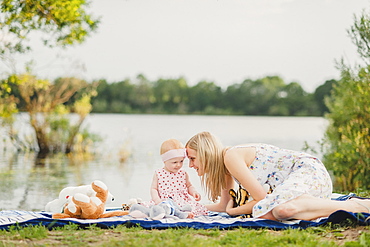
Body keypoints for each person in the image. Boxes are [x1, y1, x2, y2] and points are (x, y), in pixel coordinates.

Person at [185, 131, 370, 221]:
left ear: (205, 152)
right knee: (279, 212)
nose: (190, 165)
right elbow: (221, 207)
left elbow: (261, 198)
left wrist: (234, 211)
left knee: (271, 211)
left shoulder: (230, 157)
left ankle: (356, 205)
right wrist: (188, 207)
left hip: (307, 171)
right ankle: (346, 207)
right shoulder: (225, 169)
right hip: (296, 189)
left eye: (192, 158)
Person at [146, 138, 208, 217]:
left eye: (181, 161)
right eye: (174, 162)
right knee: (159, 209)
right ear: (164, 161)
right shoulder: (159, 173)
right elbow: (154, 189)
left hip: (181, 201)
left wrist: (194, 192)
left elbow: (189, 186)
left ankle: (184, 214)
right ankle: (176, 213)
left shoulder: (183, 173)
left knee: (191, 208)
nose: (178, 165)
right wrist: (157, 200)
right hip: (164, 201)